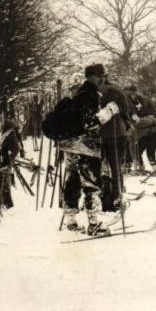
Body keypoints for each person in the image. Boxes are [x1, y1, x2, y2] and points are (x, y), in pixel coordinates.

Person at [59, 64, 107, 235]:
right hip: (84, 145)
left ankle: (70, 220)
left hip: (69, 144)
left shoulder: (78, 94)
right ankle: (94, 223)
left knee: (72, 180)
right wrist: (108, 112)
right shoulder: (89, 95)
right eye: (101, 75)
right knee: (91, 182)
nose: (103, 79)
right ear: (91, 76)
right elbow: (89, 123)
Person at [98, 77, 134, 211]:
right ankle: (117, 194)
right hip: (116, 132)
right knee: (116, 165)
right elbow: (126, 110)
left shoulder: (93, 90)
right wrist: (129, 123)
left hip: (98, 133)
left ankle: (100, 195)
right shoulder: (117, 91)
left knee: (98, 165)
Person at [0, 108, 21, 209]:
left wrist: (9, 160)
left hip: (5, 159)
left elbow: (16, 148)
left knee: (5, 183)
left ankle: (8, 206)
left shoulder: (8, 131)